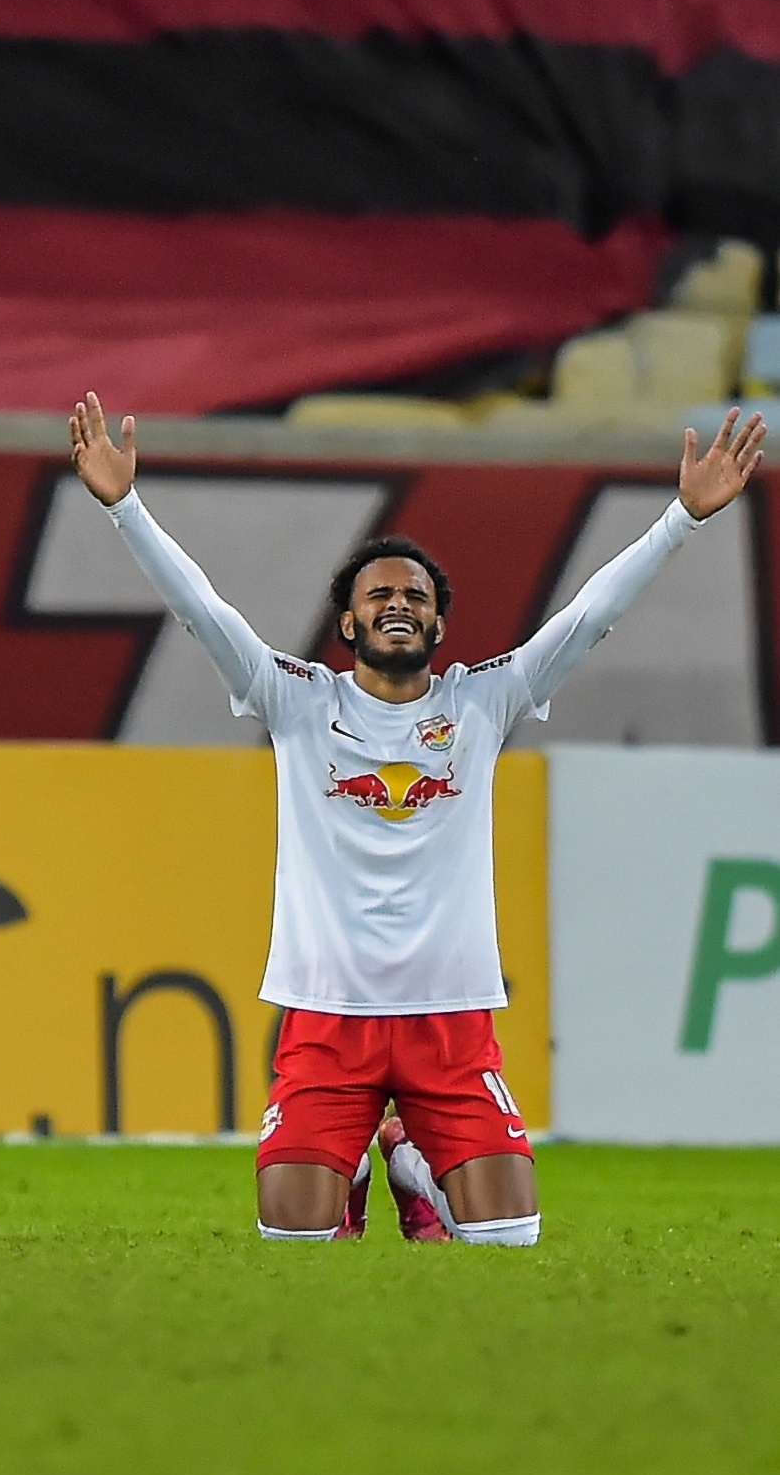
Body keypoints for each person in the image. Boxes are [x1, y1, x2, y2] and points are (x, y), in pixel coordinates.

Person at [67, 391, 764, 1244]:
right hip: (325, 1017)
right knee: (291, 1244)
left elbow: (588, 619)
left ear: (437, 621)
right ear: (348, 620)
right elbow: (201, 611)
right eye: (377, 594)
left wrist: (680, 522)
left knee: (511, 1242)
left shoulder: (483, 700)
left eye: (415, 594)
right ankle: (354, 1166)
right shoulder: (293, 699)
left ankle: (410, 1164)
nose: (397, 602)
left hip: (450, 1019)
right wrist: (124, 508)